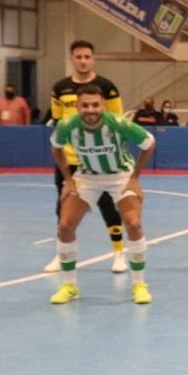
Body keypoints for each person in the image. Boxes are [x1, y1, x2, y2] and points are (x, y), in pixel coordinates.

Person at [47, 84, 155, 306]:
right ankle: (69, 285)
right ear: (77, 106)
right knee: (65, 226)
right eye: (84, 105)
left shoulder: (118, 124)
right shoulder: (68, 125)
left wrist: (134, 178)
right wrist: (68, 179)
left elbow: (149, 143)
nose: (90, 110)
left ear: (103, 106)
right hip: (87, 177)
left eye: (95, 105)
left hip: (120, 176)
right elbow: (55, 146)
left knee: (133, 224)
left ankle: (139, 284)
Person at [48, 40, 128, 274]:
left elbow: (117, 121)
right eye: (78, 57)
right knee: (63, 207)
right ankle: (61, 254)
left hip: (100, 159)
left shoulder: (107, 87)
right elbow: (58, 121)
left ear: (93, 59)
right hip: (70, 160)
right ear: (72, 59)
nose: (83, 60)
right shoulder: (60, 88)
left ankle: (119, 252)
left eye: (87, 57)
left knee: (109, 205)